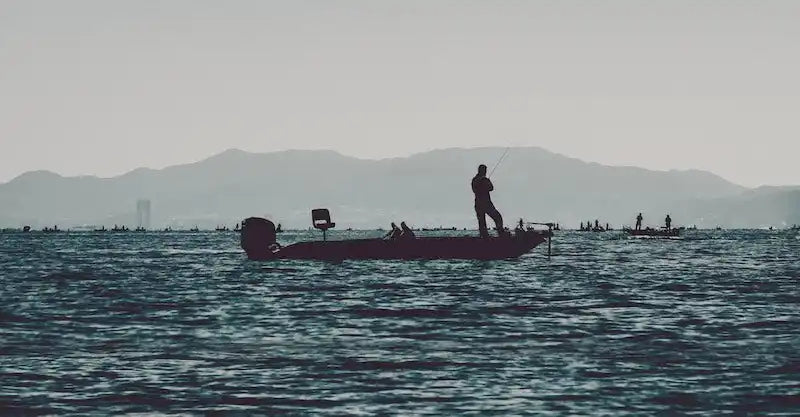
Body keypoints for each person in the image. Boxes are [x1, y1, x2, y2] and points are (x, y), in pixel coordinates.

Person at [471, 164, 504, 237]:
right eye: (485, 171)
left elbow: (474, 189)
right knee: (497, 217)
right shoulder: (483, 179)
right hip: (486, 203)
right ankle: (501, 234)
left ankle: (484, 236)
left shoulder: (474, 180)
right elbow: (491, 188)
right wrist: (486, 181)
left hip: (478, 204)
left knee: (482, 222)